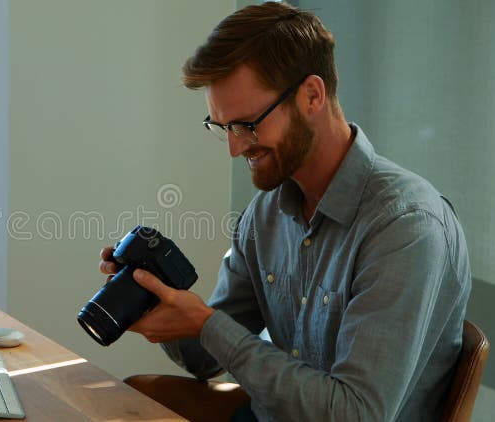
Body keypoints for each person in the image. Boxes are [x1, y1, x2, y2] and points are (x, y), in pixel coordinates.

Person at [98, 2, 471, 421]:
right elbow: (206, 359)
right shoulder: (267, 215)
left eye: (247, 125)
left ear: (312, 95)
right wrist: (153, 298)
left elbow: (356, 413)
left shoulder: (405, 226)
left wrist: (206, 323)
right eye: (223, 128)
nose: (235, 148)